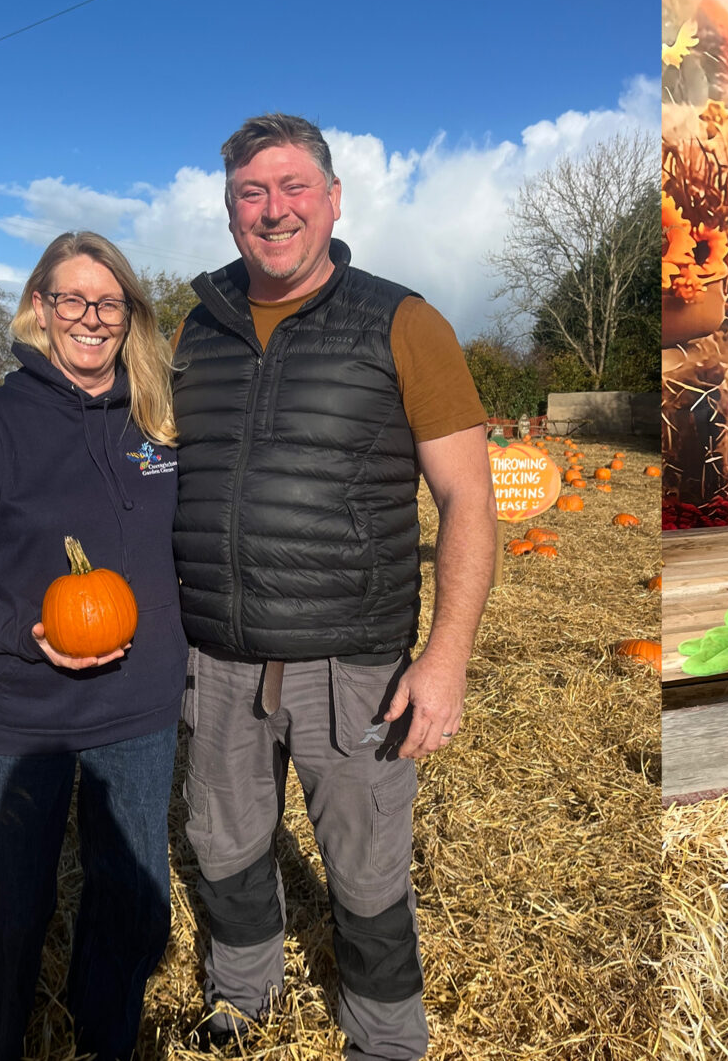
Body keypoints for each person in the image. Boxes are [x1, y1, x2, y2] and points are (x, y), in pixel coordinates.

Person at [172, 112, 496, 1058]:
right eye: (250, 194)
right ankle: (242, 992)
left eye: (292, 188)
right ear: (229, 210)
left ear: (333, 198)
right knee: (225, 842)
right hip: (219, 654)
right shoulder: (198, 328)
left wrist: (445, 660)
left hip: (349, 660)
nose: (273, 211)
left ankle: (386, 1035)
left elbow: (468, 504)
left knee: (364, 865)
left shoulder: (403, 321)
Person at [0, 232, 184, 1061]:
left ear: (128, 314)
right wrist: (24, 633)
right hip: (19, 709)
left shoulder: (158, 420)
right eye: (72, 300)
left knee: (131, 900)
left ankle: (109, 1040)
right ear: (40, 307)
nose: (91, 319)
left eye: (109, 302)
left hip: (139, 705)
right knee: (5, 906)